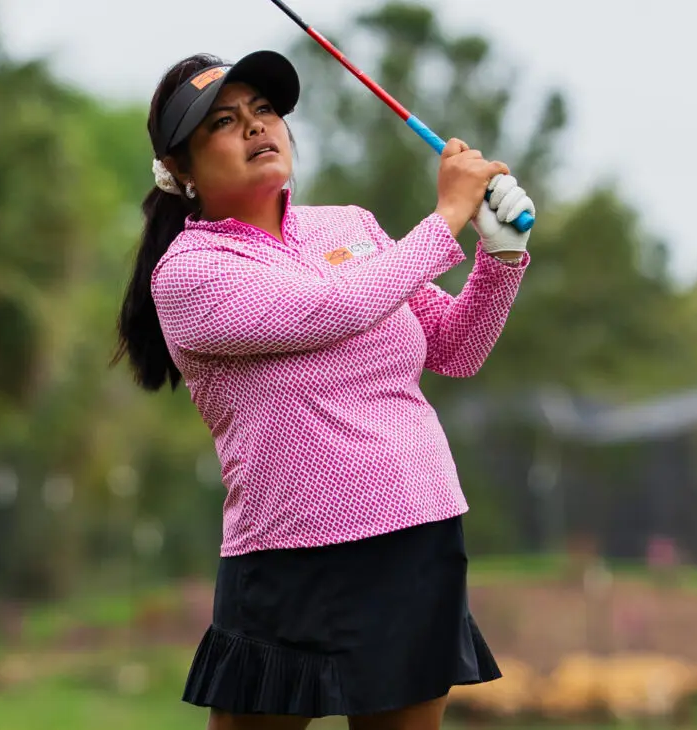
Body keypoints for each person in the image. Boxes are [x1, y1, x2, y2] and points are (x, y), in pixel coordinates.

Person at [115, 49, 536, 730]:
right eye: (224, 122)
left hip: (416, 530)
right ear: (181, 171)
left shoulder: (350, 226)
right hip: (290, 556)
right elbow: (329, 309)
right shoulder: (190, 272)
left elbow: (454, 350)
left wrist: (501, 256)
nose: (256, 129)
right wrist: (446, 216)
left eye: (264, 111)